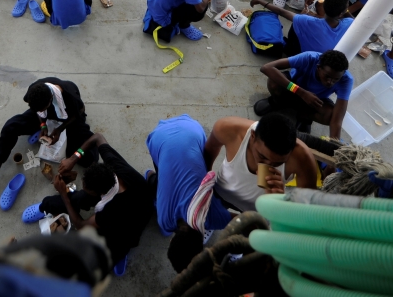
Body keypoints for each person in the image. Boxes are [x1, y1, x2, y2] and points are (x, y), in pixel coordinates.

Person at [25, 132, 153, 271]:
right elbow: (98, 137)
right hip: (135, 195)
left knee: (107, 249)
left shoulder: (112, 211)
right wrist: (74, 158)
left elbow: (81, 225)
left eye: (89, 190)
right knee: (80, 197)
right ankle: (46, 206)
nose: (84, 188)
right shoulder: (113, 165)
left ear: (101, 193)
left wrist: (63, 194)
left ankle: (119, 254)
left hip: (131, 223)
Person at [0, 78, 94, 199]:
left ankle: (62, 132)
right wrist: (42, 124)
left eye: (42, 109)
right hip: (46, 112)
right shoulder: (34, 91)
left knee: (87, 158)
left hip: (69, 116)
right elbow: (38, 112)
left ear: (50, 100)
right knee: (11, 127)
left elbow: (80, 110)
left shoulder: (69, 97)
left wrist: (60, 129)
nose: (40, 111)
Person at [145, 115, 234, 273]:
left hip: (176, 133)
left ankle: (152, 175)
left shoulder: (214, 217)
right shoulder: (164, 220)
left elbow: (248, 221)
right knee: (162, 176)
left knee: (163, 172)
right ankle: (150, 176)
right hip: (174, 133)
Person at [204, 114, 318, 213]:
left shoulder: (303, 158)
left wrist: (282, 200)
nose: (268, 165)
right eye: (262, 157)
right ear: (252, 136)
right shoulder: (228, 129)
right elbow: (210, 149)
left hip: (261, 210)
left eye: (278, 163)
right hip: (222, 193)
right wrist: (205, 185)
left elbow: (306, 206)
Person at [256, 50, 353, 138]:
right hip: (293, 88)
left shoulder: (346, 80)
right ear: (318, 68)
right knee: (274, 82)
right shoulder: (309, 57)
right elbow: (266, 68)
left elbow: (337, 120)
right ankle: (276, 102)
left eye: (336, 79)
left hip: (313, 101)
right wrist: (301, 92)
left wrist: (335, 145)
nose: (330, 82)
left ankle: (305, 118)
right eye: (327, 76)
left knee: (330, 115)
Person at [250, 0, 353, 56]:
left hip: (305, 57)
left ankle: (289, 50)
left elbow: (282, 12)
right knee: (300, 21)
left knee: (297, 23)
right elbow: (350, 18)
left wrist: (260, 1)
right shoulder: (350, 23)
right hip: (327, 59)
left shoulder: (307, 21)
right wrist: (345, 10)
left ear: (324, 8)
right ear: (342, 12)